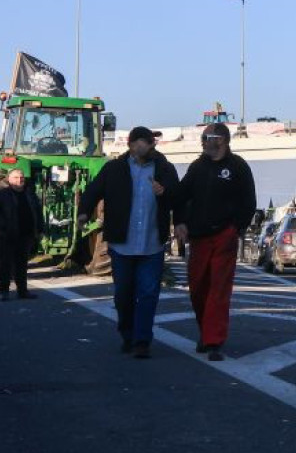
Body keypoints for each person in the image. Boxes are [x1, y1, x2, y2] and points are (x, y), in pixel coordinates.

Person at [78, 126, 181, 359]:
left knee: (148, 293)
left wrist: (164, 192)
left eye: (149, 142)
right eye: (141, 142)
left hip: (152, 244)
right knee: (123, 293)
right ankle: (127, 333)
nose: (146, 146)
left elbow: (179, 198)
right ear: (131, 145)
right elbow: (93, 191)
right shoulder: (114, 169)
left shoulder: (164, 169)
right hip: (121, 244)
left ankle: (142, 341)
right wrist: (84, 213)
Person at [174, 122, 257, 362]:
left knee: (219, 289)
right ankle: (205, 331)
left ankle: (214, 341)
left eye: (206, 137)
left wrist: (236, 228)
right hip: (199, 237)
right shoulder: (197, 167)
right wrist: (179, 221)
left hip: (225, 235)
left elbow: (249, 201)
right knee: (198, 287)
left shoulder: (238, 167)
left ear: (221, 140)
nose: (202, 142)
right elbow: (181, 195)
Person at [0, 168, 41, 301]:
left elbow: (38, 213)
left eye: (21, 177)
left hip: (25, 234)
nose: (19, 180)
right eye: (16, 177)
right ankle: (4, 291)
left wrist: (40, 229)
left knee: (22, 265)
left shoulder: (30, 194)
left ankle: (22, 291)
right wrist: (3, 224)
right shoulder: (3, 194)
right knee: (6, 264)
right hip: (8, 235)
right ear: (9, 180)